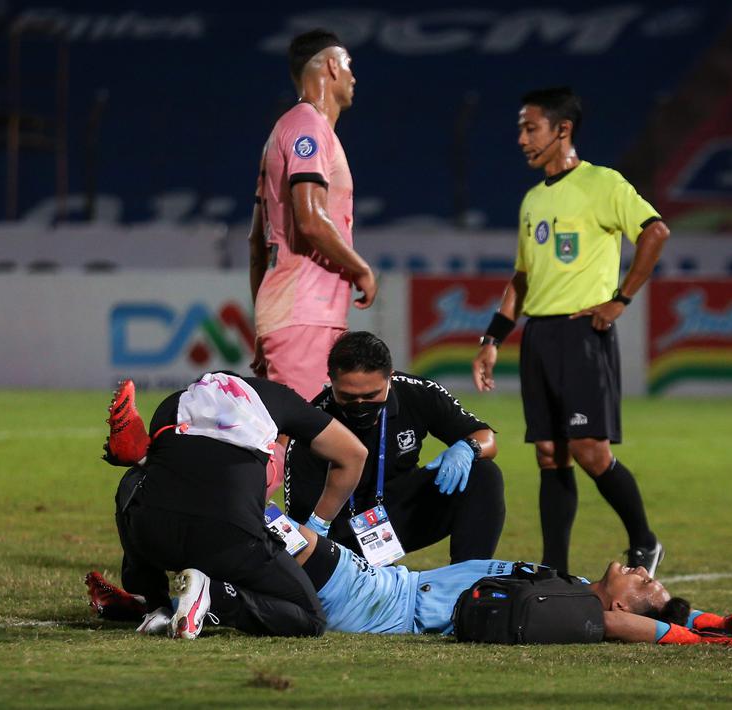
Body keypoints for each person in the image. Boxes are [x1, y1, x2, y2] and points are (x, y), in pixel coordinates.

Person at [472, 87, 672, 576]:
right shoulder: (532, 201)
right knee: (548, 453)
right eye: (521, 128)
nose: (521, 139)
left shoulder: (602, 183)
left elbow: (655, 231)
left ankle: (644, 540)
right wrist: (492, 339)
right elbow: (521, 279)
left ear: (563, 129)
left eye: (530, 128)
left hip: (583, 334)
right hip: (539, 336)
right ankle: (554, 568)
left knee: (588, 450)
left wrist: (620, 298)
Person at [86, 523, 732, 646]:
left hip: (384, 596)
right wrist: (712, 620)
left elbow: (617, 624)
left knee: (274, 527)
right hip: (388, 586)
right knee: (265, 544)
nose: (639, 571)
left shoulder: (577, 609)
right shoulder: (572, 584)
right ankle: (152, 605)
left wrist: (683, 636)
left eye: (645, 584)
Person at [100, 374, 366, 638]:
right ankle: (213, 596)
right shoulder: (279, 399)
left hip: (155, 535)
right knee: (310, 619)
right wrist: (318, 525)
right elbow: (354, 453)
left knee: (134, 483)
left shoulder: (172, 404)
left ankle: (154, 604)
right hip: (230, 538)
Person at [285, 331, 505, 563]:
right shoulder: (311, 425)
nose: (360, 405)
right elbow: (303, 524)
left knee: (484, 474)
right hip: (343, 535)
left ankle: (466, 580)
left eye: (371, 395)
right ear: (331, 379)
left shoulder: (417, 392)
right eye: (348, 397)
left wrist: (467, 448)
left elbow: (485, 437)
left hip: (402, 515)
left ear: (390, 376)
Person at [248, 29, 378, 402]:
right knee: (300, 445)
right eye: (350, 66)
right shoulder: (309, 127)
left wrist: (263, 324)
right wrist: (360, 269)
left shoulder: (284, 131)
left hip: (295, 315)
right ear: (333, 66)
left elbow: (257, 244)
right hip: (305, 312)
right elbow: (309, 218)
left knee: (321, 444)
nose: (354, 77)